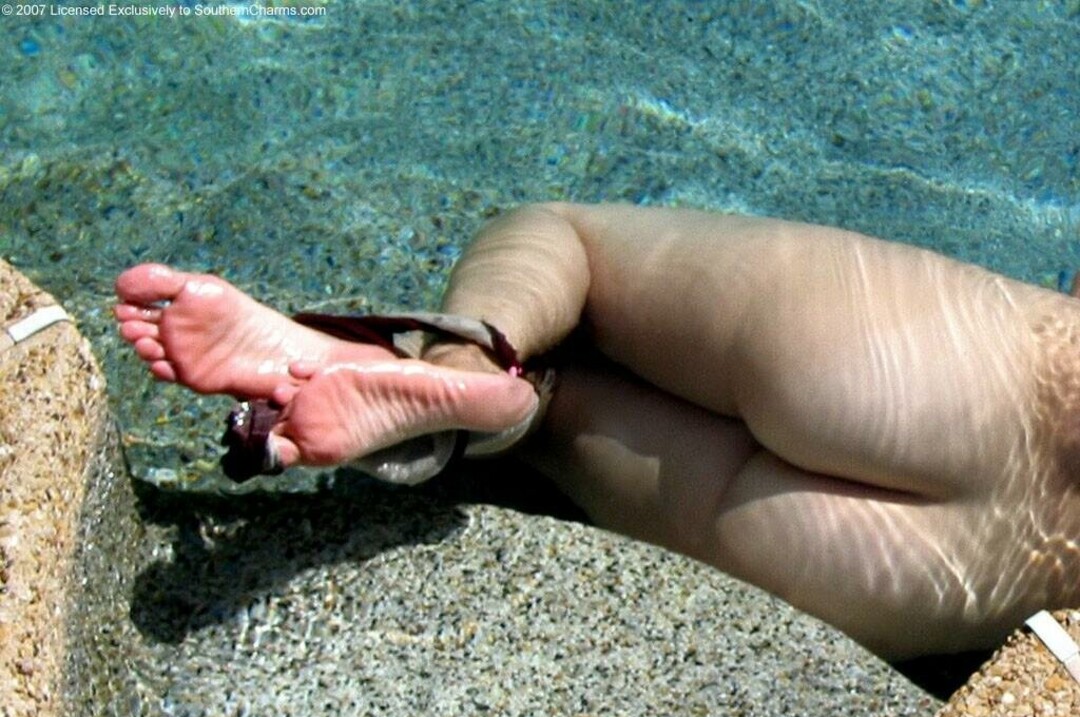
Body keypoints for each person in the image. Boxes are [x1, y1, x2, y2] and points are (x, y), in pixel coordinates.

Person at [114, 202, 1080, 661]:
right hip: (937, 582)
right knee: (561, 424)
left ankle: (472, 364)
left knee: (560, 243)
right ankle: (497, 410)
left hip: (975, 372)